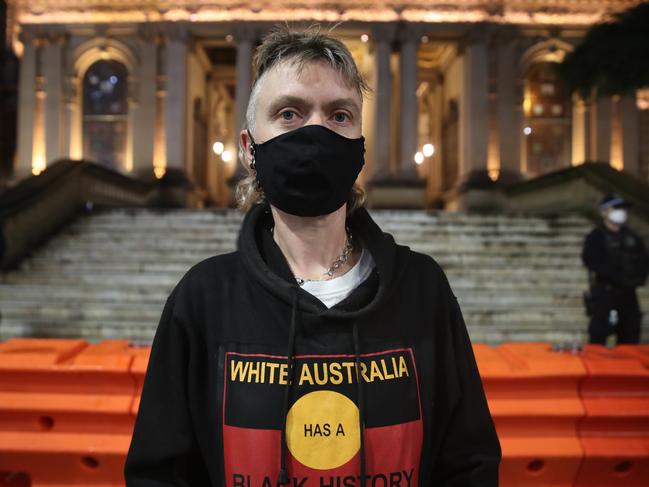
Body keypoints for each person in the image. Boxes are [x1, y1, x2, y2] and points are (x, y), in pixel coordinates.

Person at [124, 26, 501, 486]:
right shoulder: (202, 299)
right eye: (289, 113)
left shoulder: (422, 288)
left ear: (360, 144)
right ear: (249, 148)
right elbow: (160, 472)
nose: (316, 131)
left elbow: (468, 461)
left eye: (340, 115)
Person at [581, 193, 649, 345]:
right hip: (605, 292)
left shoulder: (632, 237)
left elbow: (643, 261)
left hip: (628, 294)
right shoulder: (596, 237)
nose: (621, 212)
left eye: (623, 208)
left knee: (630, 333)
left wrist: (634, 278)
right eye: (616, 208)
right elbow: (591, 260)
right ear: (604, 211)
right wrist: (614, 275)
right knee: (599, 334)